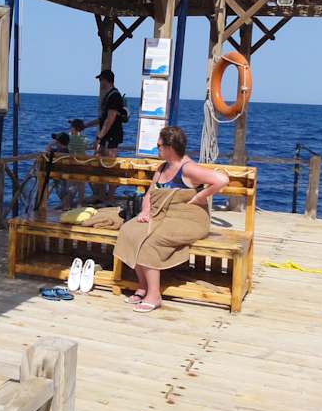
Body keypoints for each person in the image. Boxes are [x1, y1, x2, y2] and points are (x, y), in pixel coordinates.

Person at [114, 125, 229, 313]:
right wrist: (145, 211)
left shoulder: (188, 168)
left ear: (170, 147)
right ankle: (142, 285)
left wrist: (200, 197)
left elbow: (222, 180)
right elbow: (150, 194)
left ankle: (154, 295)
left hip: (188, 220)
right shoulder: (162, 168)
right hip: (161, 215)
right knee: (129, 230)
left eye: (159, 145)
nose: (156, 148)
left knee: (150, 241)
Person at [81, 70, 125, 203]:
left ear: (107, 80)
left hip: (112, 137)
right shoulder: (108, 96)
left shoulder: (114, 96)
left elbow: (110, 119)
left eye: (101, 80)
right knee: (99, 165)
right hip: (106, 136)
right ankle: (100, 195)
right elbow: (102, 119)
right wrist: (86, 125)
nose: (100, 82)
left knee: (110, 167)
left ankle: (110, 198)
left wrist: (99, 137)